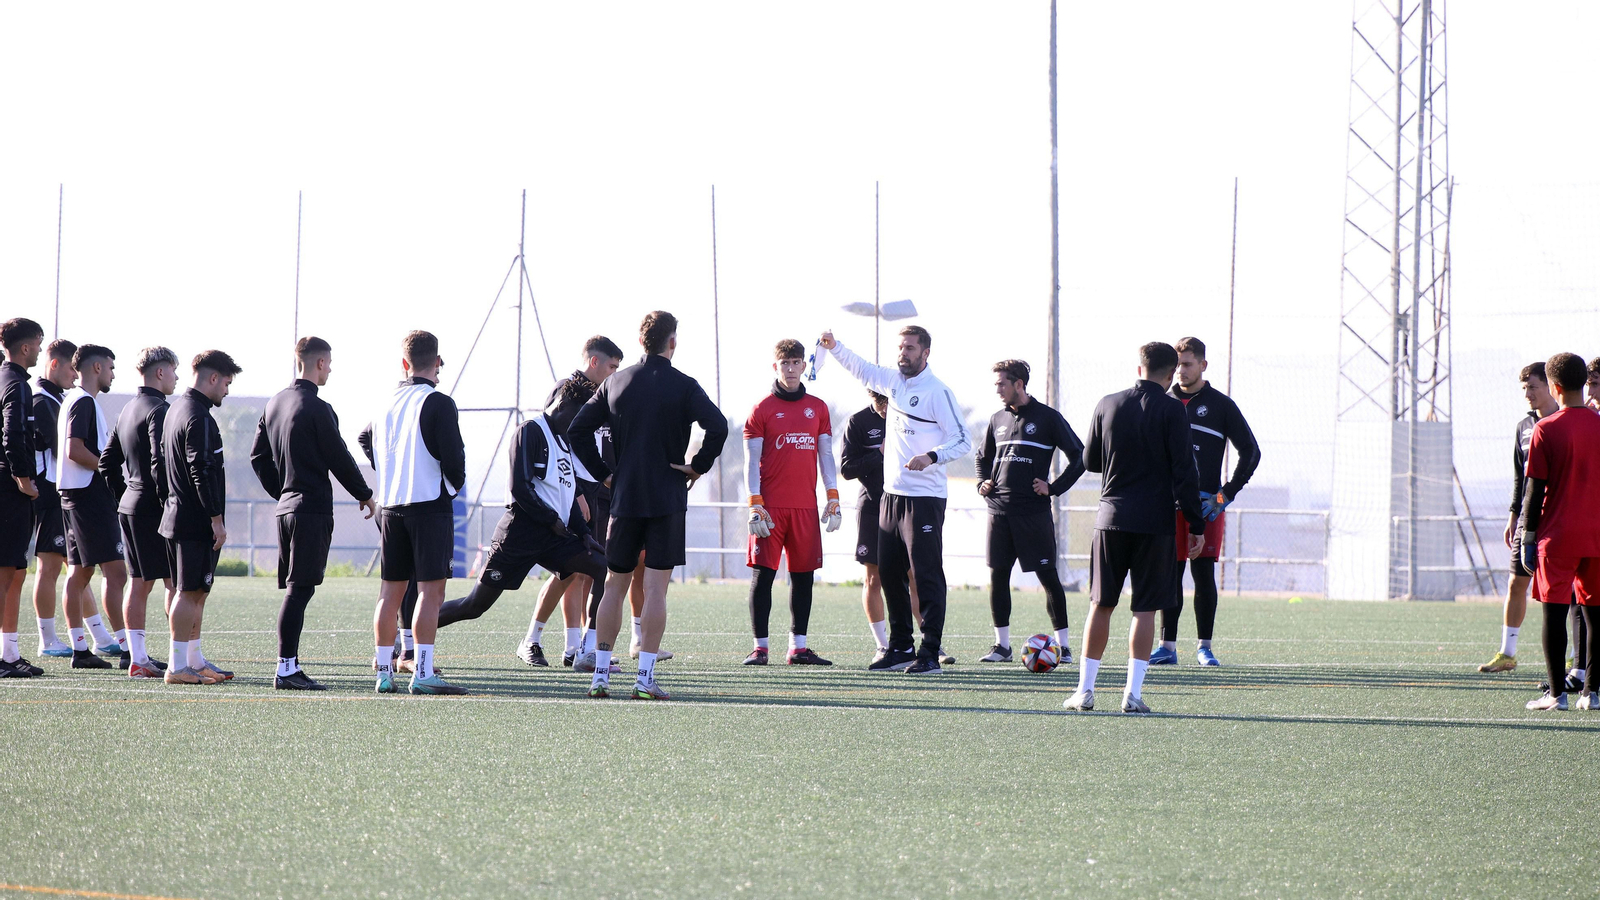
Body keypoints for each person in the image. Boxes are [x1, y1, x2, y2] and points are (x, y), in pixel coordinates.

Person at [568, 310, 728, 700]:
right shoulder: (684, 385)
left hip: (624, 499)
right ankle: (644, 678)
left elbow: (577, 430)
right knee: (655, 590)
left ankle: (600, 676)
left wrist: (605, 474)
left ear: (641, 342)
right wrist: (697, 466)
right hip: (667, 499)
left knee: (614, 586)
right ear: (671, 342)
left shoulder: (616, 381)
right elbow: (718, 426)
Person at [1063, 342, 1206, 714]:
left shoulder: (1107, 403)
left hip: (1110, 519)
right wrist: (1196, 522)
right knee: (1144, 610)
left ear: (1138, 367)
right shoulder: (1173, 410)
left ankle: (1085, 691)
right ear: (1171, 372)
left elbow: (1090, 459)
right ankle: (1133, 695)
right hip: (1155, 523)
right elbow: (1185, 472)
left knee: (1101, 604)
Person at [820, 324, 971, 674]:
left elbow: (963, 440)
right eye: (900, 347)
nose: (903, 353)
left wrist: (931, 456)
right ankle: (901, 647)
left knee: (926, 574)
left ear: (925, 353)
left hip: (925, 498)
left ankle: (929, 652)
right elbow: (861, 368)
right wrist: (835, 345)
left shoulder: (938, 391)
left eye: (910, 348)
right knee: (888, 572)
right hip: (892, 496)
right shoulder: (891, 382)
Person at [251, 337, 378, 690]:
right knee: (299, 590)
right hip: (310, 510)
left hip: (286, 508)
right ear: (319, 363)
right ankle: (287, 669)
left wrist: (283, 491)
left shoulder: (274, 403)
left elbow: (257, 457)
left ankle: (288, 666)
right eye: (330, 363)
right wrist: (365, 494)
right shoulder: (318, 408)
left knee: (297, 589)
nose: (331, 369)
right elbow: (339, 457)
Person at [435, 401, 609, 641]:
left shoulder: (564, 440)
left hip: (553, 538)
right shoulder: (529, 431)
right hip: (520, 535)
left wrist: (584, 534)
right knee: (474, 606)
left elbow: (566, 494)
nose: (581, 422)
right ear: (562, 405)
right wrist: (550, 518)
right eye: (579, 413)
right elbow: (519, 487)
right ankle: (406, 635)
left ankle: (587, 649)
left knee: (602, 567)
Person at [359, 331, 468, 696]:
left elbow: (363, 437)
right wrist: (449, 488)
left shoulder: (384, 402)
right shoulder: (439, 402)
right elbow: (455, 460)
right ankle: (421, 672)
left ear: (404, 363)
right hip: (428, 506)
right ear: (437, 362)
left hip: (390, 508)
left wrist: (388, 470)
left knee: (390, 593)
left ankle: (383, 674)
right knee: (430, 593)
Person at [1153, 336, 1260, 667]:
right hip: (1166, 509)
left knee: (1203, 576)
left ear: (1202, 365)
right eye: (1176, 366)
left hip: (1205, 506)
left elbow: (1251, 452)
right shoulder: (1160, 401)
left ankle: (1204, 648)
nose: (1181, 371)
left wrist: (1225, 494)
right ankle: (1167, 647)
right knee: (1169, 576)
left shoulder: (1220, 405)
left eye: (1187, 364)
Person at [973, 359, 1085, 664]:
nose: (997, 389)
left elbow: (1079, 457)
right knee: (998, 577)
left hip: (1033, 513)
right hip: (998, 512)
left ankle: (1063, 648)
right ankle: (1002, 647)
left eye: (1002, 384)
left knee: (1048, 577)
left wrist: (1054, 487)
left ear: (1019, 384)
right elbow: (981, 458)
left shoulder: (1048, 418)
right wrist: (982, 482)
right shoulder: (996, 418)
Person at [741, 338, 840, 666]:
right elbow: (750, 461)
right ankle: (760, 648)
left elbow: (826, 456)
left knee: (803, 576)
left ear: (804, 365)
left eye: (796, 362)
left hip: (805, 509)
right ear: (776, 367)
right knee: (763, 576)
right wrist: (754, 503)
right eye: (785, 363)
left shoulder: (819, 408)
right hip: (770, 510)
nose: (791, 368)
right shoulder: (761, 409)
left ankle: (798, 647)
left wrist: (833, 496)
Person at [1520, 352, 1600, 711]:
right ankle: (1593, 693)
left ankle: (1556, 695)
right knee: (1596, 614)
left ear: (1554, 386)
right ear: (1585, 384)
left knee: (1554, 615)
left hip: (1558, 538)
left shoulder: (1546, 429)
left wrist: (1528, 536)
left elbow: (1534, 491)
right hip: (1597, 536)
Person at [157, 350, 241, 686]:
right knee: (188, 591)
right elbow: (201, 470)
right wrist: (215, 519)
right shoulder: (198, 416)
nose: (227, 391)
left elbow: (158, 466)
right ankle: (178, 667)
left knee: (195, 591)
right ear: (212, 378)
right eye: (226, 383)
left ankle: (193, 659)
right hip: (193, 521)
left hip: (176, 514)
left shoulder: (176, 409)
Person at [99, 346, 180, 678]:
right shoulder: (159, 409)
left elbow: (107, 463)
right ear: (160, 372)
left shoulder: (127, 409)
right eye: (174, 371)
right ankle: (181, 656)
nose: (177, 378)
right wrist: (166, 502)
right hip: (154, 509)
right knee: (175, 583)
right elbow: (160, 464)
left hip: (131, 507)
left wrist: (125, 496)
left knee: (138, 581)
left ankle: (138, 656)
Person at [1480, 363, 1560, 675]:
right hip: (1528, 518)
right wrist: (1513, 514)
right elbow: (1520, 476)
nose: (1527, 394)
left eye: (1533, 387)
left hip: (1556, 516)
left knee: (1563, 588)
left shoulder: (1564, 421)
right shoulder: (1523, 426)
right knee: (1516, 582)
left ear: (1550, 386)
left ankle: (1573, 656)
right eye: (1524, 388)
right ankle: (1507, 653)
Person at [57, 344, 130, 671]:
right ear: (97, 368)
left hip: (76, 496)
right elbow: (75, 449)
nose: (113, 374)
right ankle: (129, 648)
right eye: (111, 368)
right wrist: (106, 467)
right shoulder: (83, 401)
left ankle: (80, 649)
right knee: (116, 572)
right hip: (87, 497)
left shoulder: (74, 400)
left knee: (80, 572)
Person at [22, 339, 76, 659]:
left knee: (76, 565)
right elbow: (63, 451)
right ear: (54, 364)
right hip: (49, 490)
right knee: (49, 566)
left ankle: (98, 633)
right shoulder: (42, 400)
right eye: (71, 367)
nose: (75, 375)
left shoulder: (58, 398)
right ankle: (47, 639)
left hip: (59, 492)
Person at [0, 318, 44, 678]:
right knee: (5, 572)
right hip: (8, 488)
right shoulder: (15, 383)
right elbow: (12, 433)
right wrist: (22, 478)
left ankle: (9, 654)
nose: (41, 351)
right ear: (26, 347)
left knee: (15, 570)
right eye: (38, 345)